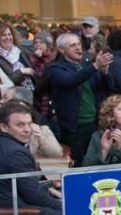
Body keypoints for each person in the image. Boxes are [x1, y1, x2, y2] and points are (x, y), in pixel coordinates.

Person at [46, 33, 113, 166]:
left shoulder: (86, 65)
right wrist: (95, 67)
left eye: (78, 44)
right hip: (74, 127)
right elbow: (71, 81)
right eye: (72, 45)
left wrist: (105, 73)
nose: (78, 48)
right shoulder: (56, 68)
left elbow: (107, 88)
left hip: (95, 124)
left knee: (96, 161)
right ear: (61, 50)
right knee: (79, 164)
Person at [0, 22, 35, 99]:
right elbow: (3, 83)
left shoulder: (21, 51)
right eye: (3, 35)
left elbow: (34, 71)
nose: (8, 37)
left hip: (31, 95)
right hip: (11, 99)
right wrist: (21, 72)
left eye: (9, 34)